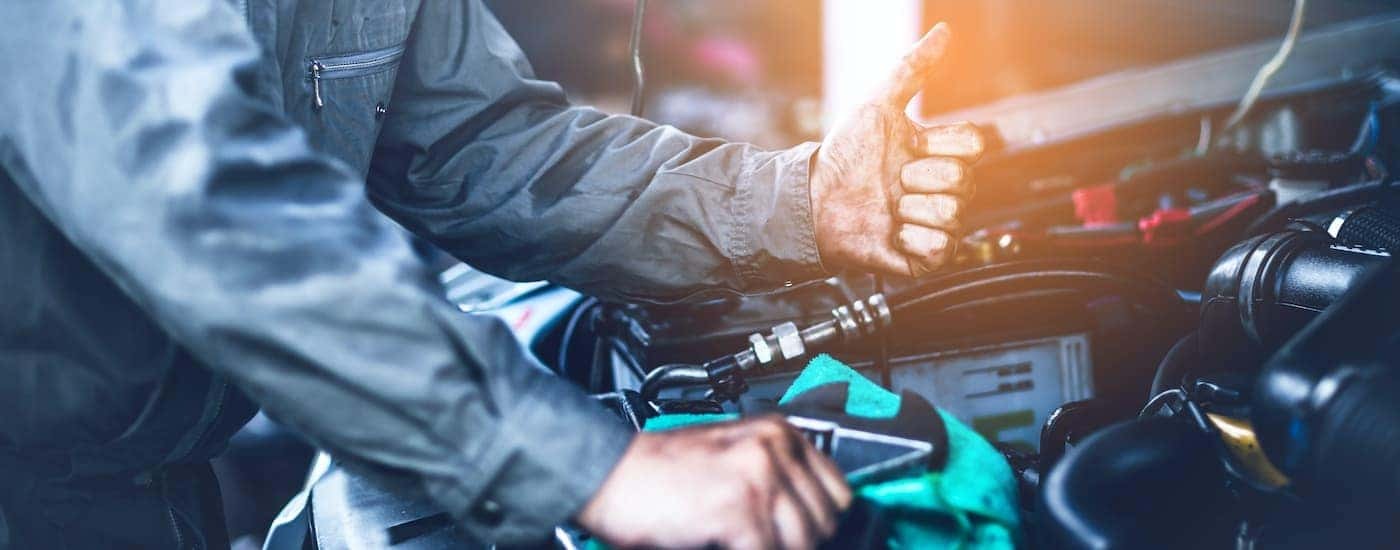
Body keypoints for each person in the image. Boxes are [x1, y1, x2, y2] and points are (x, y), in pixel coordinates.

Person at [0, 1, 983, 548]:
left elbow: (477, 141)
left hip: (145, 482)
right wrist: (594, 468)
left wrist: (794, 202)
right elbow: (205, 204)